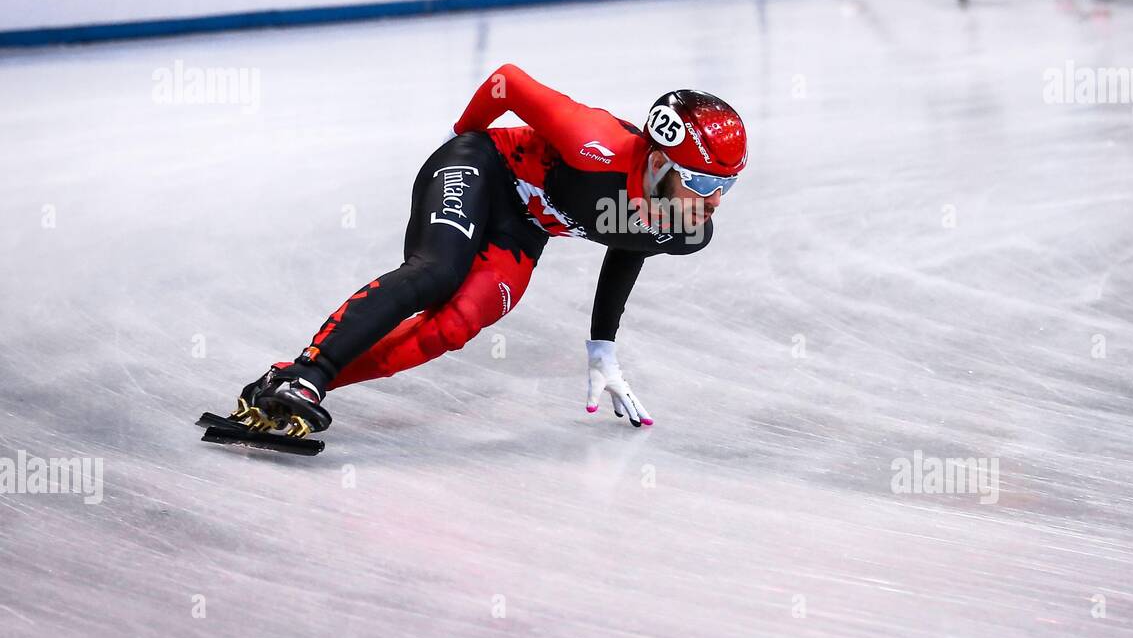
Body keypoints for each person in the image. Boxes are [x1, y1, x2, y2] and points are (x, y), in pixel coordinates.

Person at [230, 64, 748, 441]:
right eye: (702, 181)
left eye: (726, 184)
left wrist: (602, 348)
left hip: (522, 226)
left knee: (453, 325)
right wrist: (460, 139)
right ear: (660, 164)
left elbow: (628, 243)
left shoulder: (687, 229)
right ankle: (310, 372)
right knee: (437, 273)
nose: (714, 200)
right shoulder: (594, 143)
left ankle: (295, 382)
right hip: (485, 165)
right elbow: (508, 82)